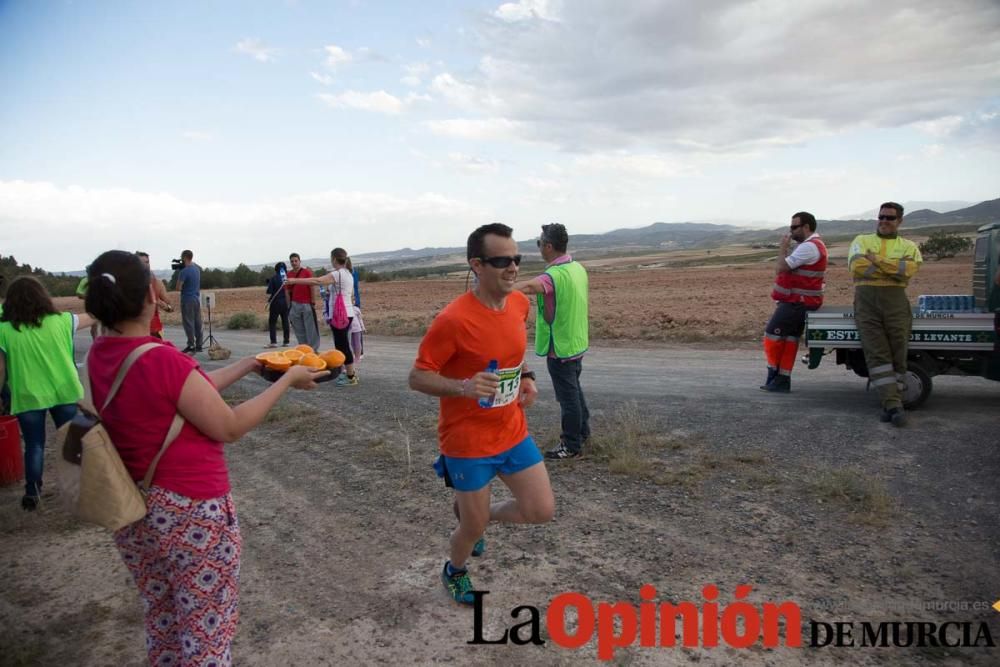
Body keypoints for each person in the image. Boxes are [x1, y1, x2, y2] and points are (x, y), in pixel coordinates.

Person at [84, 250, 327, 666]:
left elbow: (188, 387)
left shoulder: (102, 355)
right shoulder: (158, 357)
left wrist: (250, 364)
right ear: (149, 294)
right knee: (206, 632)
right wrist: (286, 379)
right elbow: (228, 426)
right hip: (190, 511)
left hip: (134, 508)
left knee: (164, 621)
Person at [409, 223, 554, 605]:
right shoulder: (453, 320)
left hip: (512, 430)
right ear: (477, 264)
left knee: (540, 510)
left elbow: (512, 350)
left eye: (517, 259)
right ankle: (454, 569)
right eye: (502, 260)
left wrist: (526, 376)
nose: (513, 268)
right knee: (470, 528)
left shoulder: (519, 304)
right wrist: (463, 387)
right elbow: (417, 376)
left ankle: (475, 516)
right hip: (467, 441)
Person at [0, 276, 95, 510]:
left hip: (28, 394)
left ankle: (33, 491)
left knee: (35, 445)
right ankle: (81, 488)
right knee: (73, 442)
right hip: (65, 391)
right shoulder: (63, 321)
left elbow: (0, 369)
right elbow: (94, 316)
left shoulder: (4, 330)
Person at [514, 223, 590, 460]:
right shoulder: (577, 268)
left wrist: (494, 290)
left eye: (538, 243)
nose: (538, 247)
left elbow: (526, 286)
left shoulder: (552, 277)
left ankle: (571, 445)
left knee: (568, 399)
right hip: (576, 343)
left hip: (560, 348)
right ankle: (582, 434)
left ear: (548, 246)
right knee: (575, 393)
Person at [848, 202, 923, 426]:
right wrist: (894, 269)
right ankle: (893, 404)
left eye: (890, 218)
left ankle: (893, 402)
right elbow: (858, 267)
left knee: (898, 351)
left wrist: (877, 261)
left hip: (896, 301)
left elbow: (907, 272)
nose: (884, 221)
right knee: (877, 353)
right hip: (866, 301)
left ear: (899, 221)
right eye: (881, 216)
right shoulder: (861, 240)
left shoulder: (910, 246)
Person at [760, 212, 828, 393]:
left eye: (794, 227)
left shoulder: (809, 247)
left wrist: (782, 247)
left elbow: (781, 268)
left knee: (771, 337)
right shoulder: (812, 246)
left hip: (797, 303)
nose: (791, 232)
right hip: (801, 302)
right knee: (790, 340)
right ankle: (782, 380)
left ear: (806, 227)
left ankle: (774, 375)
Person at [286, 248, 358, 385]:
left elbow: (317, 281)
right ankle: (348, 373)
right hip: (346, 313)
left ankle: (351, 376)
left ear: (334, 259)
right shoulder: (348, 273)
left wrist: (294, 280)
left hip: (340, 315)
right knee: (342, 345)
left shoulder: (337, 274)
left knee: (343, 346)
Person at [284, 253, 321, 352]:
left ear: (300, 261)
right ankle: (304, 349)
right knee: (299, 329)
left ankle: (313, 350)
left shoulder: (306, 272)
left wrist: (313, 301)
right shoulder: (288, 275)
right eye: (292, 261)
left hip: (307, 303)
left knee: (311, 328)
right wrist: (289, 306)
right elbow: (287, 291)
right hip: (294, 304)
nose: (294, 263)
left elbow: (311, 286)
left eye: (296, 261)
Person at [136, 252, 174, 340]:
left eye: (147, 262)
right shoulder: (127, 285)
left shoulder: (157, 284)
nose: (145, 265)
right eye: (141, 263)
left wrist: (164, 305)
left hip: (154, 330)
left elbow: (171, 307)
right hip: (135, 330)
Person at [175, 249, 203, 354]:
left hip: (187, 299)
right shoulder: (197, 270)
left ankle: (191, 345)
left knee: (188, 323)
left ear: (184, 258)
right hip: (196, 299)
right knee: (197, 322)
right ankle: (199, 345)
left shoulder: (184, 271)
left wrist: (180, 275)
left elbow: (178, 287)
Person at [265, 262, 290, 347]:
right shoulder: (287, 278)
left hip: (275, 302)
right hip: (285, 302)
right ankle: (286, 341)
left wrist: (268, 283)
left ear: (276, 269)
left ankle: (273, 342)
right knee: (285, 321)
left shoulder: (274, 278)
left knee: (272, 322)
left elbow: (269, 291)